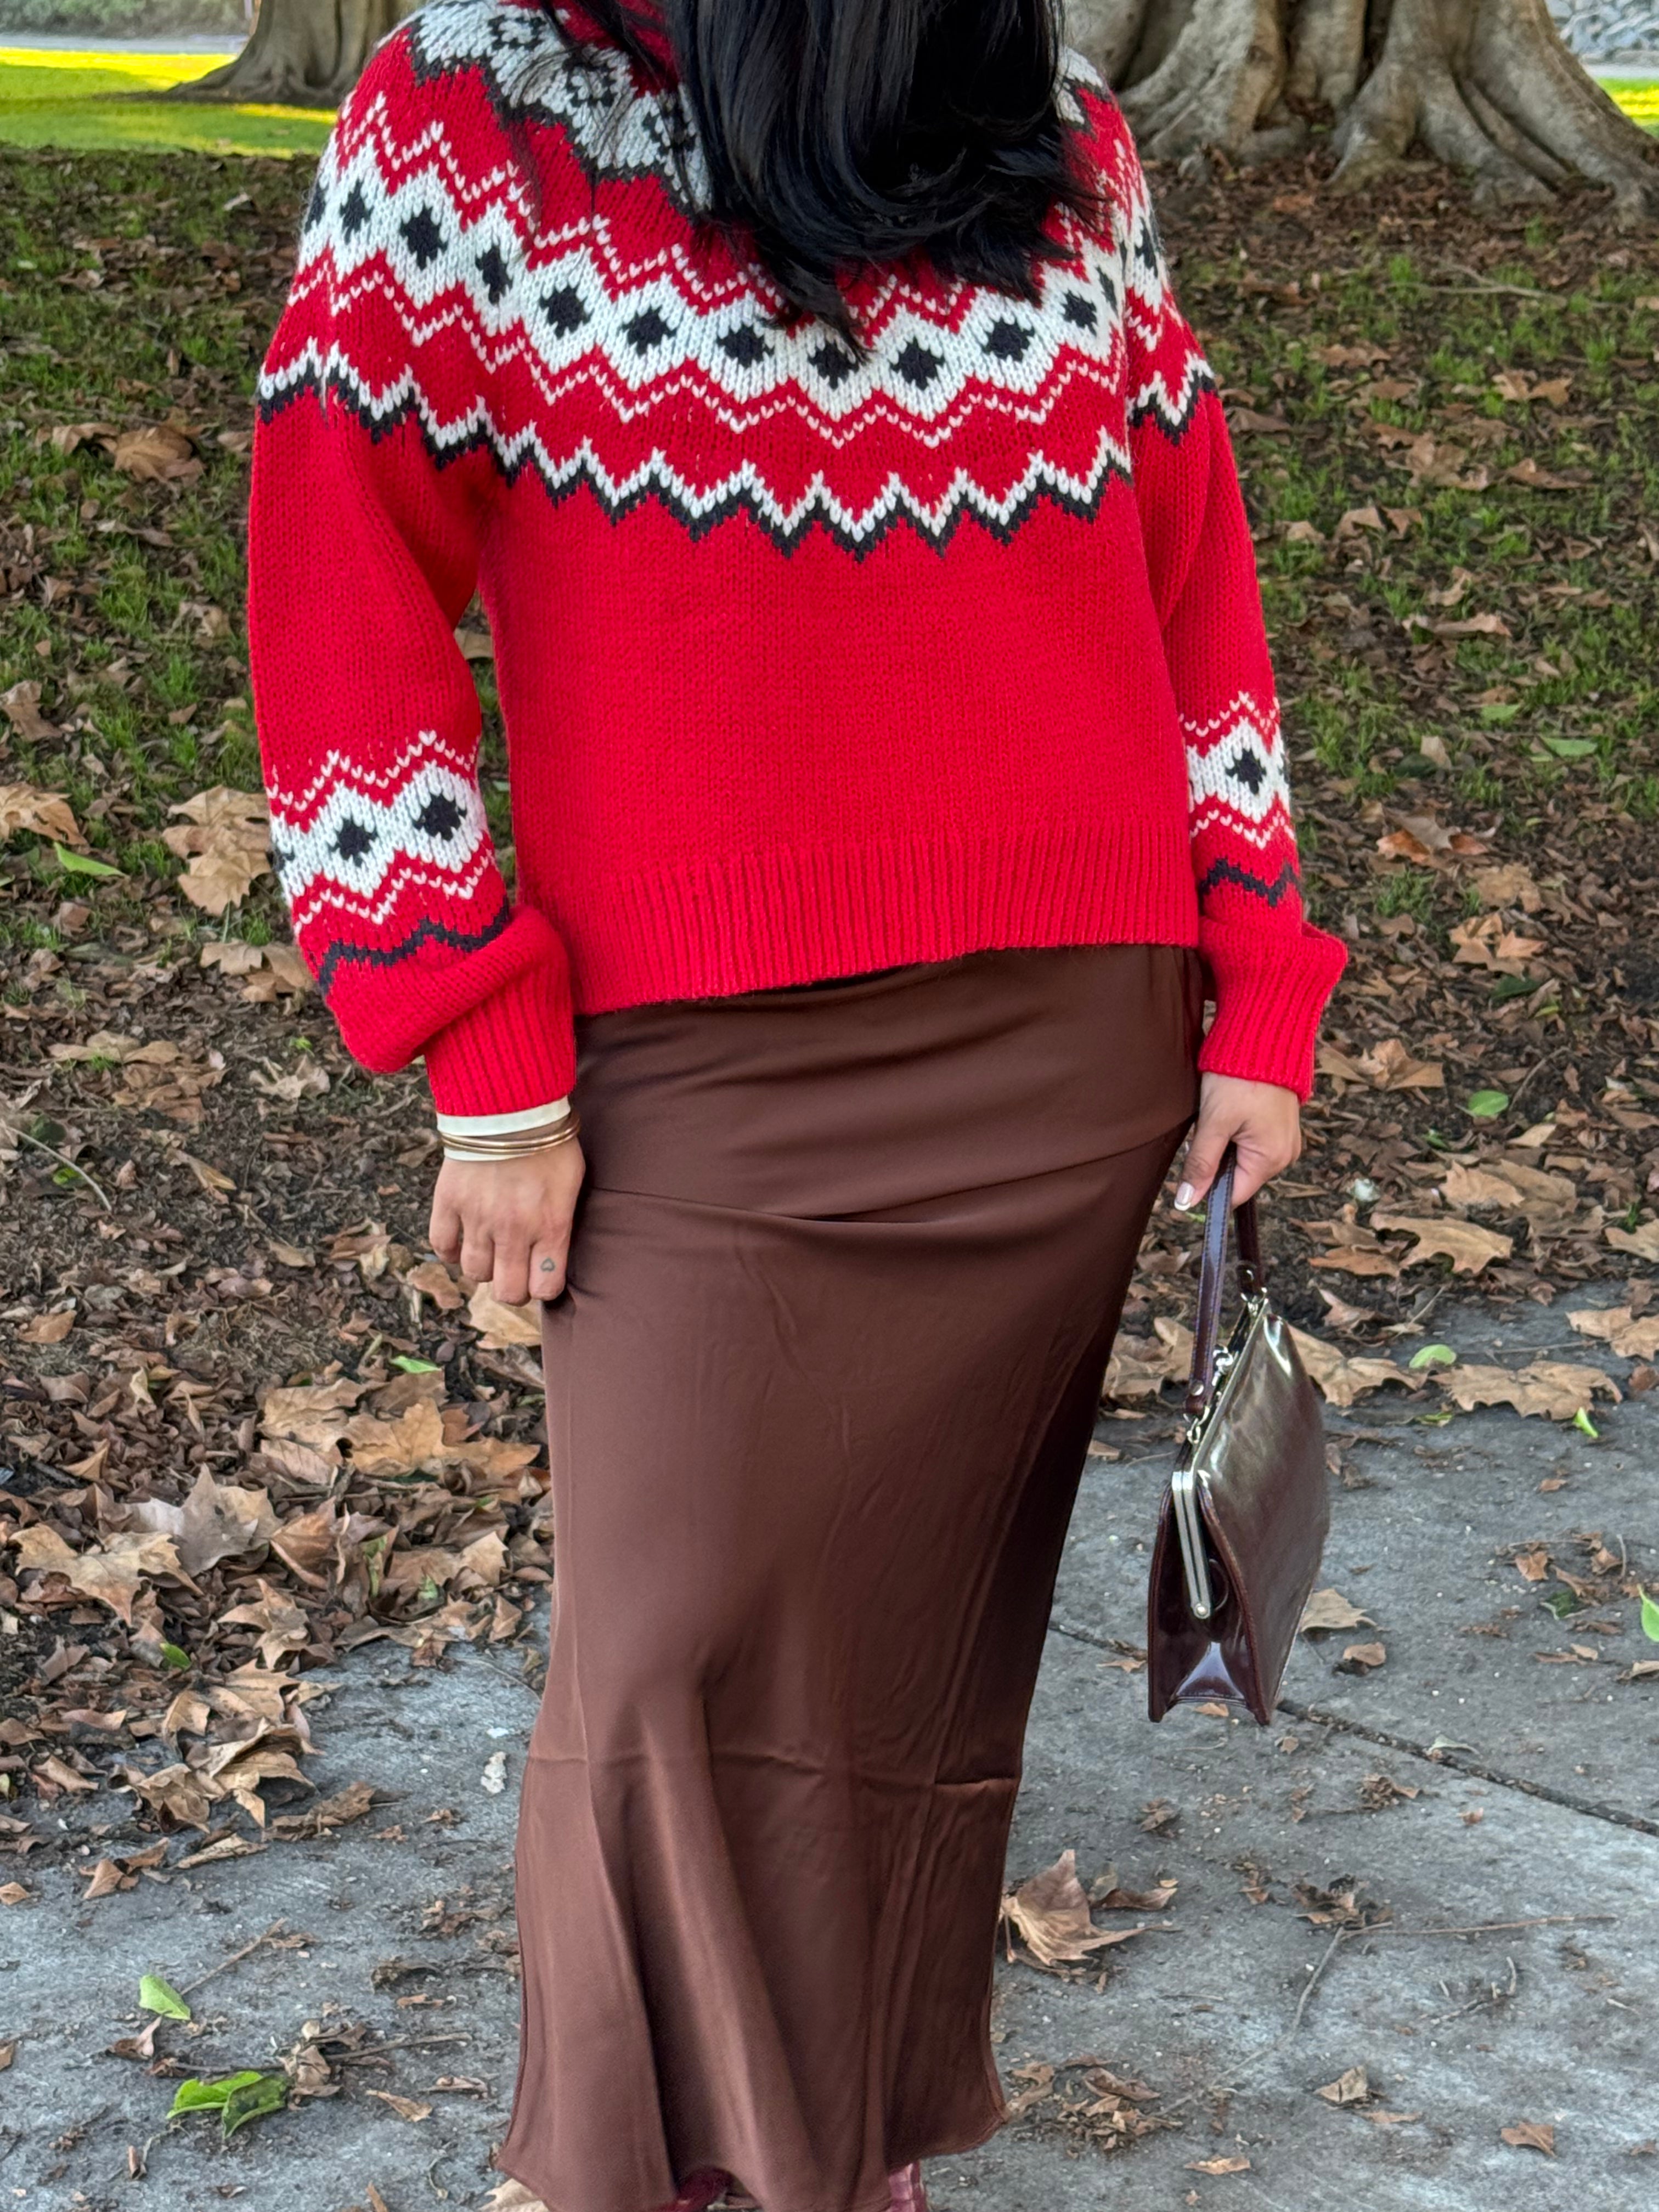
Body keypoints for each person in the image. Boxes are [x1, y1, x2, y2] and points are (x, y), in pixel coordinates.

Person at [247, 0, 1345, 2203]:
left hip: (1065, 1045)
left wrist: (1259, 986)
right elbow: (334, 557)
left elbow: (1185, 554)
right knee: (668, 1677)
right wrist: (473, 1038)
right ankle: (632, 2173)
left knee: (910, 1692)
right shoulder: (484, 99)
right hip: (695, 1064)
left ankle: (825, 2148)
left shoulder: (1046, 124)